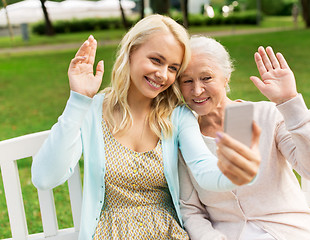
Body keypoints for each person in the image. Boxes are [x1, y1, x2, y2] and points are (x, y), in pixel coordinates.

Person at [31, 15, 254, 240]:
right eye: (156, 60)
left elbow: (202, 167)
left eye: (173, 68)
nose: (163, 74)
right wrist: (78, 100)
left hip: (169, 233)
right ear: (132, 51)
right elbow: (45, 178)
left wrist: (233, 171)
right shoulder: (92, 110)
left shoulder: (176, 115)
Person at [178, 36, 310, 240]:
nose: (197, 90)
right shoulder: (187, 137)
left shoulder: (263, 115)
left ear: (226, 78)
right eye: (187, 81)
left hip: (287, 232)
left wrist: (290, 102)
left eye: (206, 78)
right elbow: (191, 211)